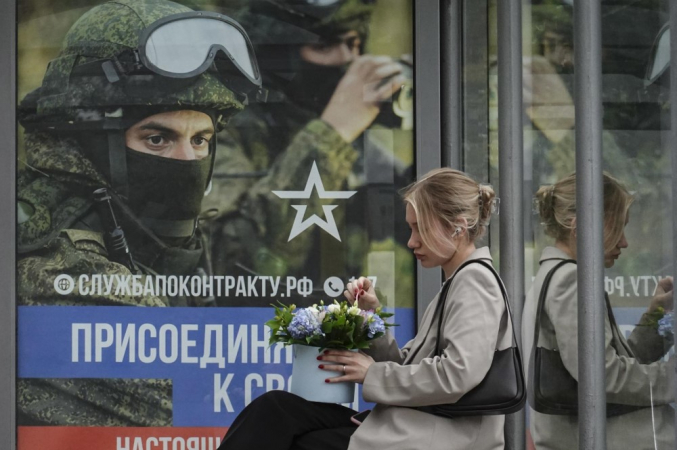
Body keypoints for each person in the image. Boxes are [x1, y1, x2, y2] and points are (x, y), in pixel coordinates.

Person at [16, 0, 261, 425]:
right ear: (93, 143)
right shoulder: (57, 263)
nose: (187, 160)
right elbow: (215, 407)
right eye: (157, 139)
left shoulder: (143, 232)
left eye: (201, 139)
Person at [218, 168, 511, 450]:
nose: (411, 241)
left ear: (458, 226)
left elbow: (456, 375)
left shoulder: (474, 282)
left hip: (434, 435)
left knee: (292, 435)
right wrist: (369, 317)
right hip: (415, 425)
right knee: (277, 408)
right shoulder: (459, 281)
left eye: (419, 228)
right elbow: (410, 368)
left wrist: (371, 374)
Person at [201, 0, 413, 305]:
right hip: (252, 334)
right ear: (279, 51)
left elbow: (444, 234)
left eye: (354, 43)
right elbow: (234, 266)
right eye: (325, 44)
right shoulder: (226, 131)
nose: (347, 59)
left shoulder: (353, 141)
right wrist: (332, 133)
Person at [522, 173, 675, 449]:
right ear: (580, 226)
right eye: (618, 227)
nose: (625, 242)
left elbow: (610, 362)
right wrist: (671, 378)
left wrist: (655, 316)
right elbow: (604, 376)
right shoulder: (572, 281)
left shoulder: (554, 276)